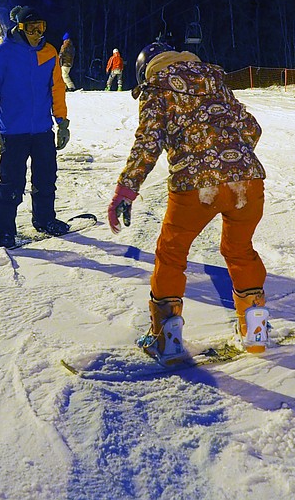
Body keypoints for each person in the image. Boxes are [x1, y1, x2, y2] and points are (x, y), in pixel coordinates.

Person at [108, 42, 269, 364]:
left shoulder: (156, 87)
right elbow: (252, 128)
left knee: (171, 254)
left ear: (145, 70)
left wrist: (126, 189)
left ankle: (165, 339)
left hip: (196, 187)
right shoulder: (215, 81)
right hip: (247, 183)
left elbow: (148, 143)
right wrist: (231, 156)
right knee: (240, 250)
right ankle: (256, 331)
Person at [0, 5, 72, 248]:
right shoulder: (3, 53)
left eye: (41, 27)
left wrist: (61, 122)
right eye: (31, 28)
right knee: (12, 183)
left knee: (45, 179)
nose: (37, 33)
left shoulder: (49, 52)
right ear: (20, 28)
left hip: (42, 130)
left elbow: (57, 89)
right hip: (13, 131)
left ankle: (44, 219)